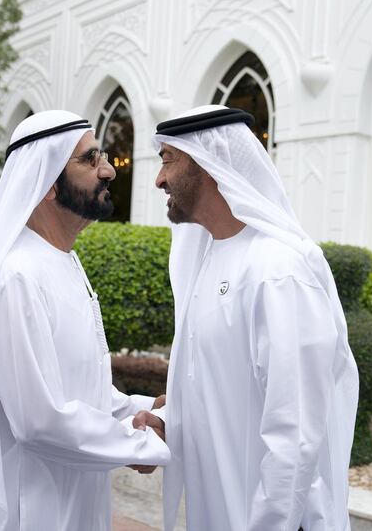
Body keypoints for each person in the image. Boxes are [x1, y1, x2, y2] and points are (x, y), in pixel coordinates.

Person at [134, 105, 359, 531]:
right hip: (217, 510)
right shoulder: (208, 259)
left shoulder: (278, 271)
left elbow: (294, 438)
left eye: (168, 160)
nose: (159, 179)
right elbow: (219, 387)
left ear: (208, 163)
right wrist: (167, 420)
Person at [0, 110, 170, 531]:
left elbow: (77, 386)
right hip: (29, 505)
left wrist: (143, 408)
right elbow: (39, 419)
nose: (108, 171)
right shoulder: (18, 275)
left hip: (73, 496)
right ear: (47, 183)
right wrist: (141, 444)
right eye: (89, 160)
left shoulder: (61, 260)